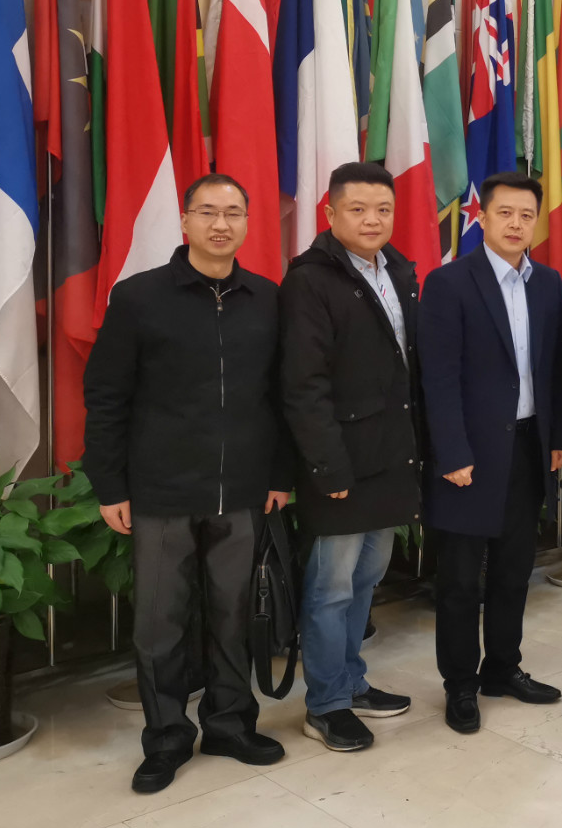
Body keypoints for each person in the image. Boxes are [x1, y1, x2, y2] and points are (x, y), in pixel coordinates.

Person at [84, 174, 289, 794]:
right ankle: (167, 738)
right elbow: (106, 395)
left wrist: (280, 475)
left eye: (233, 212)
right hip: (161, 492)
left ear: (248, 222)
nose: (220, 224)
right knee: (159, 625)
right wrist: (110, 484)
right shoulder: (139, 297)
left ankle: (229, 724)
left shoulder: (268, 298)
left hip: (243, 490)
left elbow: (281, 396)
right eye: (207, 212)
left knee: (233, 617)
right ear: (185, 220)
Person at [417, 172, 562, 735]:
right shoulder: (448, 282)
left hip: (529, 448)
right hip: (469, 454)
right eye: (504, 212)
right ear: (481, 217)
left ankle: (503, 669)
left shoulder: (548, 283)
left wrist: (560, 438)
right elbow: (437, 377)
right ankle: (460, 684)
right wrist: (451, 451)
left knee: (514, 571)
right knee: (461, 580)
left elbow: (557, 369)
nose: (515, 224)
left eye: (526, 215)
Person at [280, 162, 422, 751]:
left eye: (383, 209)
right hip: (339, 464)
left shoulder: (400, 270)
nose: (372, 220)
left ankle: (350, 681)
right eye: (358, 209)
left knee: (367, 577)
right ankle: (326, 704)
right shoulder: (310, 280)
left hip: (390, 458)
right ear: (331, 213)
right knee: (331, 587)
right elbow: (303, 385)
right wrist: (327, 466)